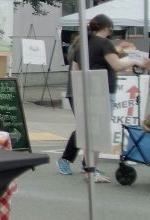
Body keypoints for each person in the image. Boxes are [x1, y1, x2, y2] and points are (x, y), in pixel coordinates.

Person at [58, 14, 150, 182]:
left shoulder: (82, 44)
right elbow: (117, 65)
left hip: (85, 91)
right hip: (103, 90)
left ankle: (89, 168)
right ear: (108, 28)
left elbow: (76, 71)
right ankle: (90, 170)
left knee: (88, 130)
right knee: (97, 132)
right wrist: (134, 61)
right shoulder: (105, 43)